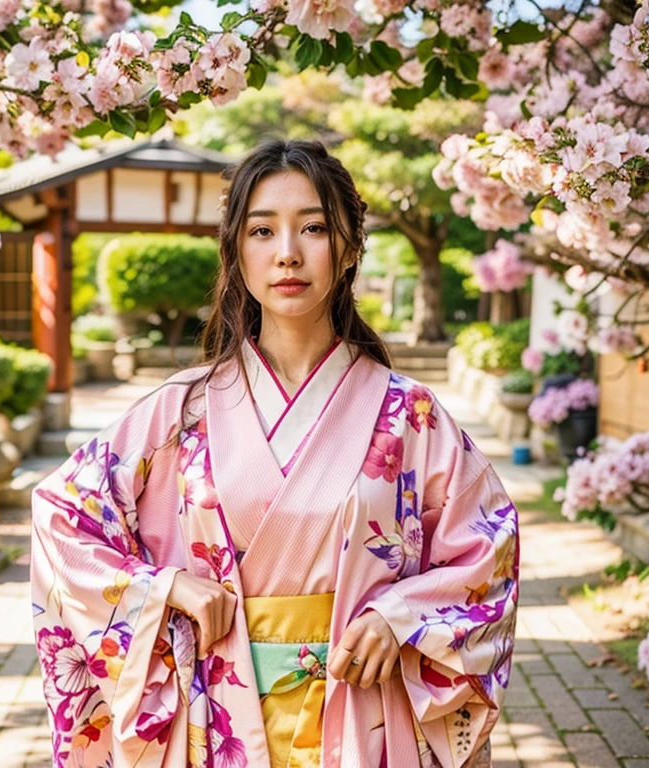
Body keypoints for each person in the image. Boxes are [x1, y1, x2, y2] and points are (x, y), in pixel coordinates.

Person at [31, 139, 518, 768]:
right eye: (262, 230)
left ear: (348, 249)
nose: (288, 252)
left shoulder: (410, 414)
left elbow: (488, 552)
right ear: (237, 252)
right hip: (213, 715)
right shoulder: (181, 410)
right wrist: (163, 585)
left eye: (314, 227)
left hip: (363, 710)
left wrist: (401, 616)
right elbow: (61, 516)